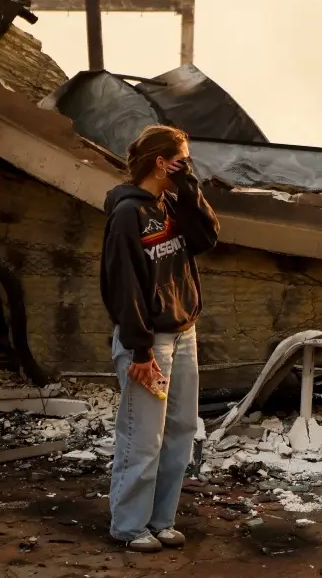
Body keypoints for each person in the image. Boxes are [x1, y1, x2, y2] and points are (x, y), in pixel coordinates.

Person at [100, 125, 219, 553]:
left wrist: (189, 187)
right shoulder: (127, 214)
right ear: (160, 162)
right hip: (149, 341)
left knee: (181, 431)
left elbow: (207, 238)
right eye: (182, 160)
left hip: (183, 333)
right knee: (143, 436)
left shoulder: (172, 202)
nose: (187, 167)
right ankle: (130, 526)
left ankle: (161, 520)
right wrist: (140, 349)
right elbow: (124, 286)